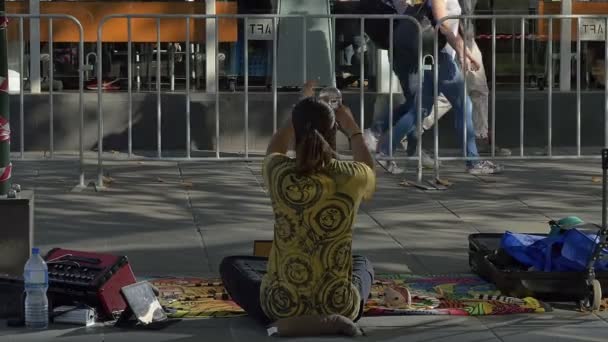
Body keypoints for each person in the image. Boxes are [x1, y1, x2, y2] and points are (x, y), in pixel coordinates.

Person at [219, 81, 376, 326]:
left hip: (281, 306)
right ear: (334, 130)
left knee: (231, 265)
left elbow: (275, 149)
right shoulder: (352, 176)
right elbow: (368, 167)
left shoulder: (278, 173)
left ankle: (285, 313)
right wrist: (352, 127)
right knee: (363, 264)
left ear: (295, 129)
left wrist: (298, 112)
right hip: (339, 305)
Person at [374, 0, 502, 174]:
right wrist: (463, 51)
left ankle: (385, 151)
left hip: (433, 56)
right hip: (439, 57)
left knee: (419, 110)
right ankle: (473, 162)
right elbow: (443, 24)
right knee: (463, 107)